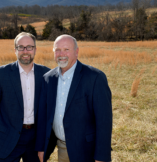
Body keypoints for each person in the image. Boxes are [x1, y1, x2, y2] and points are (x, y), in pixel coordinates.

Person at [36, 34, 113, 162]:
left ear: (76, 52)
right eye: (58, 50)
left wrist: (101, 156)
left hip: (87, 150)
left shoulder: (95, 78)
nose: (62, 54)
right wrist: (41, 147)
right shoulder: (48, 79)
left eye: (66, 49)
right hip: (62, 147)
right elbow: (43, 117)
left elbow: (104, 121)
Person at [0, 32, 50, 162]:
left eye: (29, 47)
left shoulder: (46, 74)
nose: (25, 51)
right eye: (21, 47)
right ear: (15, 50)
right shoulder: (1, 74)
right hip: (7, 137)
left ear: (35, 50)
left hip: (35, 140)